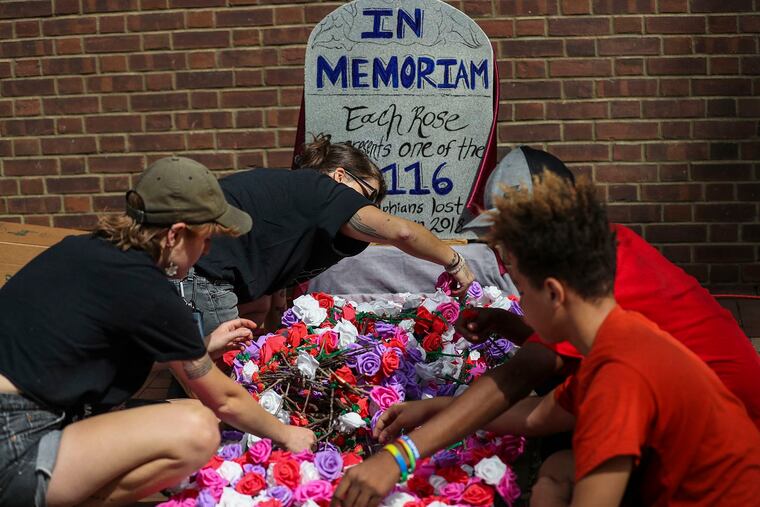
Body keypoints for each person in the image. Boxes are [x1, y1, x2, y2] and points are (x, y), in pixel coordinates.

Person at [332, 146, 760, 505]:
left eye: (518, 282)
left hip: (718, 438)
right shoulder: (608, 325)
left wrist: (399, 457)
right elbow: (539, 416)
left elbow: (527, 372)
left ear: (553, 288)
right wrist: (433, 408)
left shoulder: (618, 370)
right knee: (556, 467)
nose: (506, 273)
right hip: (696, 435)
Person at [0, 156, 315, 507]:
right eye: (206, 239)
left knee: (175, 412)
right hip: (15, 444)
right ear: (175, 234)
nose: (208, 251)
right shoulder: (145, 285)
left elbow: (78, 359)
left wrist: (200, 345)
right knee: (197, 427)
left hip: (19, 425)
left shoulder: (84, 252)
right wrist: (287, 434)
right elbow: (223, 399)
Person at [179, 134, 475, 334]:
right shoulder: (325, 193)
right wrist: (455, 262)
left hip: (195, 271)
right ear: (340, 176)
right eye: (367, 195)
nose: (368, 206)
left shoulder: (298, 200)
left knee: (215, 372)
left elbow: (272, 287)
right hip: (204, 274)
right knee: (221, 391)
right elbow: (402, 232)